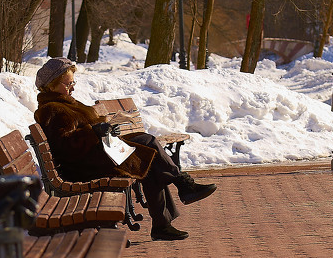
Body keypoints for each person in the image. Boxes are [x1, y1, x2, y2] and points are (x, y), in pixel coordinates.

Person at [34, 57, 217, 240]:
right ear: (51, 85)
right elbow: (66, 147)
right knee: (149, 146)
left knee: (148, 152)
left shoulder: (66, 103)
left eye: (73, 82)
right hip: (86, 166)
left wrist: (105, 127)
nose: (72, 87)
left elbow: (85, 129)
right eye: (68, 84)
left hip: (99, 155)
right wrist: (94, 132)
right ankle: (180, 191)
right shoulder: (51, 110)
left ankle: (167, 216)